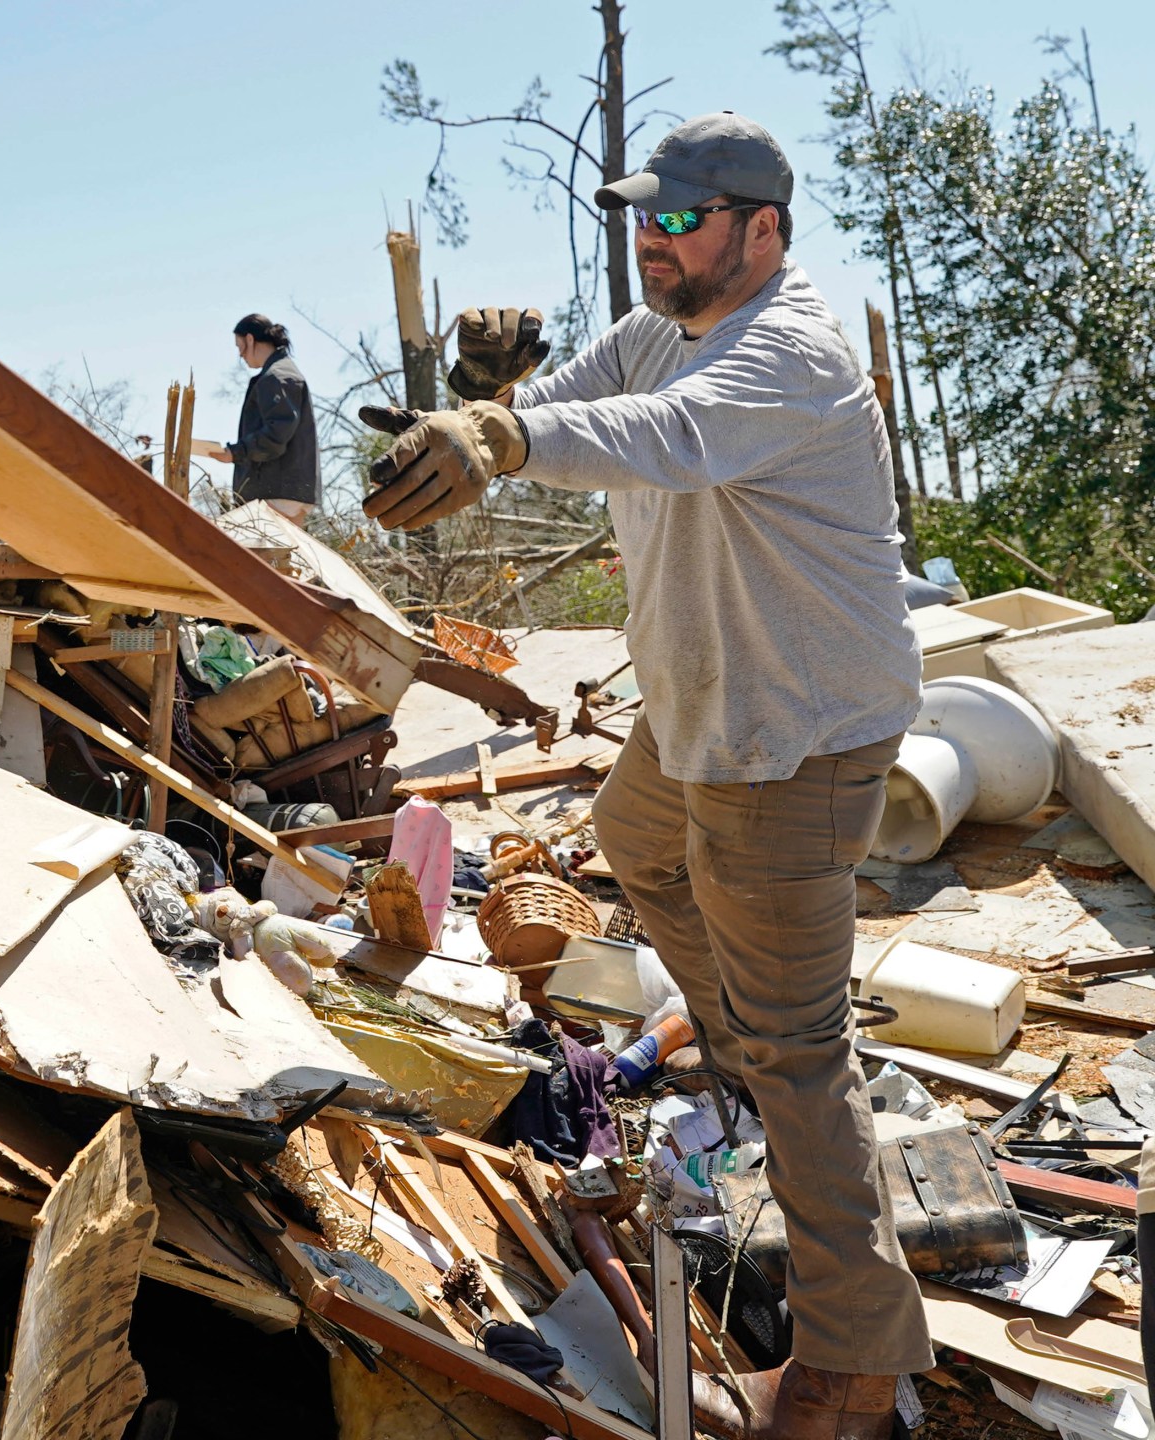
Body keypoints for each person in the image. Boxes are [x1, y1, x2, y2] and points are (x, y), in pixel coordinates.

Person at [357, 113, 929, 1440]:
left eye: (680, 218)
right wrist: (490, 402)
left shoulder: (788, 354)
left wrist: (501, 443)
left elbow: (663, 438)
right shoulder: (660, 328)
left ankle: (853, 1357)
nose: (652, 239)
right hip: (700, 714)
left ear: (763, 229)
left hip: (789, 737)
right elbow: (574, 416)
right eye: (642, 217)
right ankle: (736, 1048)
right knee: (637, 839)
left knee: (802, 1055)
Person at [193, 314, 318, 517]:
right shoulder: (282, 373)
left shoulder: (277, 376)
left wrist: (236, 453)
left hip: (275, 492)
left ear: (250, 339)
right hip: (285, 491)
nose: (240, 355)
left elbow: (277, 434)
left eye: (238, 346)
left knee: (263, 550)